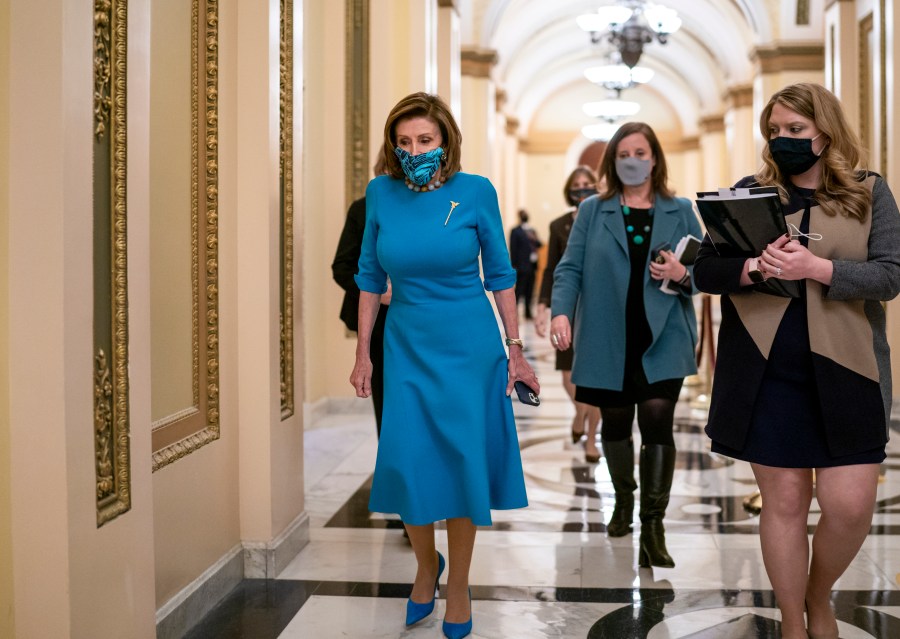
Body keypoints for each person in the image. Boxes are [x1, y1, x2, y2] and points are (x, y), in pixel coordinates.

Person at [693, 82, 900, 639]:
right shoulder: (747, 195)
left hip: (848, 369)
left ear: (824, 133)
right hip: (766, 373)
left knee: (850, 505)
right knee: (784, 504)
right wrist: (755, 268)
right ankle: (791, 622)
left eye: (795, 131)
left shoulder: (868, 193)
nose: (781, 140)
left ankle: (817, 595)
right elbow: (704, 271)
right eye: (774, 131)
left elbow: (890, 275)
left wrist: (818, 268)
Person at [350, 92, 538, 639]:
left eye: (425, 140)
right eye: (404, 142)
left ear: (446, 141)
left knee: (460, 462)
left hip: (468, 345)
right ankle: (426, 565)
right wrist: (363, 351)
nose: (414, 150)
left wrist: (516, 350)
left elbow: (500, 274)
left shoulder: (476, 191)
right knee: (408, 460)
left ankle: (459, 586)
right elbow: (368, 276)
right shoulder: (380, 193)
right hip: (405, 342)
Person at [550, 122, 701, 566]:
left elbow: (704, 273)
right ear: (613, 161)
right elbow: (569, 268)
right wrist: (561, 310)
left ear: (655, 157)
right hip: (605, 337)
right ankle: (623, 502)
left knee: (658, 425)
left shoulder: (682, 210)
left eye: (640, 151)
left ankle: (654, 526)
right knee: (615, 425)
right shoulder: (594, 210)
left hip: (663, 337)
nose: (632, 160)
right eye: (623, 153)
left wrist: (682, 274)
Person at [535, 166, 602, 462]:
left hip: (599, 305)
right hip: (568, 305)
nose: (583, 188)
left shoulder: (604, 217)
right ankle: (580, 416)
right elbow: (551, 268)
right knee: (567, 375)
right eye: (578, 184)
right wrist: (542, 305)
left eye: (588, 184)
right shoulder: (558, 224)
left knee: (597, 376)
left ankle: (591, 440)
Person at [332, 152, 390, 436]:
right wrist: (379, 294)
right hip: (379, 323)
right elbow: (341, 267)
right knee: (385, 397)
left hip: (418, 318)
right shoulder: (363, 208)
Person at [509, 209, 542, 319]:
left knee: (530, 290)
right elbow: (513, 248)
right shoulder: (515, 231)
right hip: (521, 266)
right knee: (519, 290)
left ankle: (528, 313)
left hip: (532, 265)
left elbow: (539, 244)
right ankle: (514, 313)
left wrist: (534, 238)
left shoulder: (532, 230)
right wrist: (514, 266)